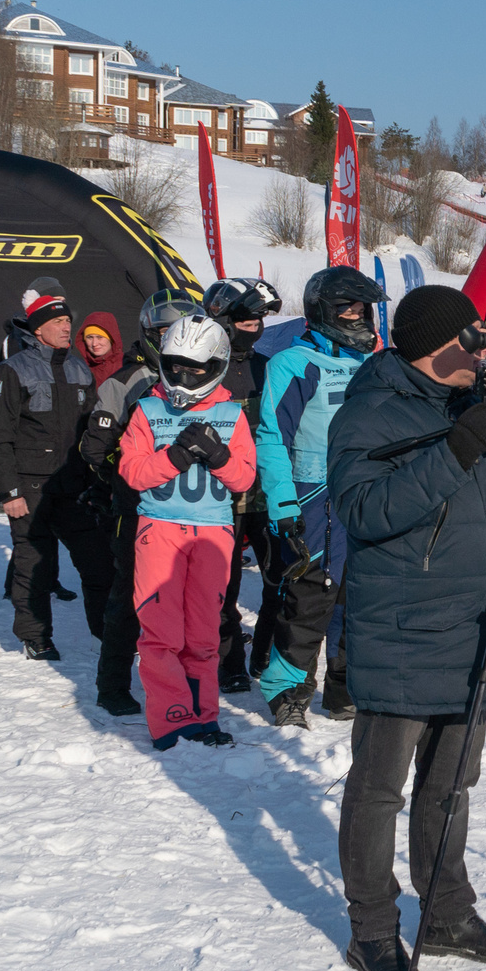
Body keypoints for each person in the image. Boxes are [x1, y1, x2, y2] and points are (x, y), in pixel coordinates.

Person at [327, 285, 486, 971]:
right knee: (380, 787)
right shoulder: (371, 407)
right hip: (403, 627)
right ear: (439, 345)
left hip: (472, 624)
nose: (483, 351)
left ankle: (444, 912)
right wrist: (456, 451)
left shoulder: (462, 407)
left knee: (451, 786)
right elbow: (363, 508)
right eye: (472, 340)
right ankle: (372, 931)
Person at [117, 314, 258, 750]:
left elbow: (245, 479)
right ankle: (171, 716)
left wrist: (218, 456)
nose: (185, 376)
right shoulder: (147, 408)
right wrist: (174, 458)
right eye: (177, 365)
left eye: (196, 369)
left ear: (214, 366)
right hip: (158, 529)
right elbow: (131, 471)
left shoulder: (232, 414)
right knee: (160, 633)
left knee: (202, 633)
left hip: (211, 534)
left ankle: (204, 715)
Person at [254, 266, 385, 726]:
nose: (355, 316)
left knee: (359, 598)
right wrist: (283, 504)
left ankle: (345, 687)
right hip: (313, 499)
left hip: (363, 497)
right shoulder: (292, 363)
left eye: (361, 308)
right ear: (323, 310)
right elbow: (271, 437)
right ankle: (285, 688)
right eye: (345, 307)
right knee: (310, 598)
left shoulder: (372, 365)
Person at [0, 277, 112, 661]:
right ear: (38, 329)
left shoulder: (79, 371)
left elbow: (92, 431)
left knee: (98, 565)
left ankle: (106, 634)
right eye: (58, 323)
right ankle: (35, 636)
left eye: (68, 322)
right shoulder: (10, 371)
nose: (67, 327)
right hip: (30, 490)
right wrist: (8, 491)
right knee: (34, 566)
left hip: (75, 487)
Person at [80, 292, 193, 715]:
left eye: (179, 333)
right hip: (138, 508)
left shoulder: (197, 377)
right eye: (164, 332)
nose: (172, 341)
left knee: (187, 599)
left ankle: (185, 682)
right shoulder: (125, 381)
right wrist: (127, 474)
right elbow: (94, 447)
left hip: (188, 506)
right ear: (149, 334)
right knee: (128, 598)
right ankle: (112, 686)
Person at [200, 278, 283, 694]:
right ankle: (229, 660)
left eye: (258, 319)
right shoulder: (204, 370)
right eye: (245, 319)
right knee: (223, 586)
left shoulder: (268, 368)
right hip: (218, 498)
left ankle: (263, 655)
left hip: (266, 496)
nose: (254, 325)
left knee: (278, 580)